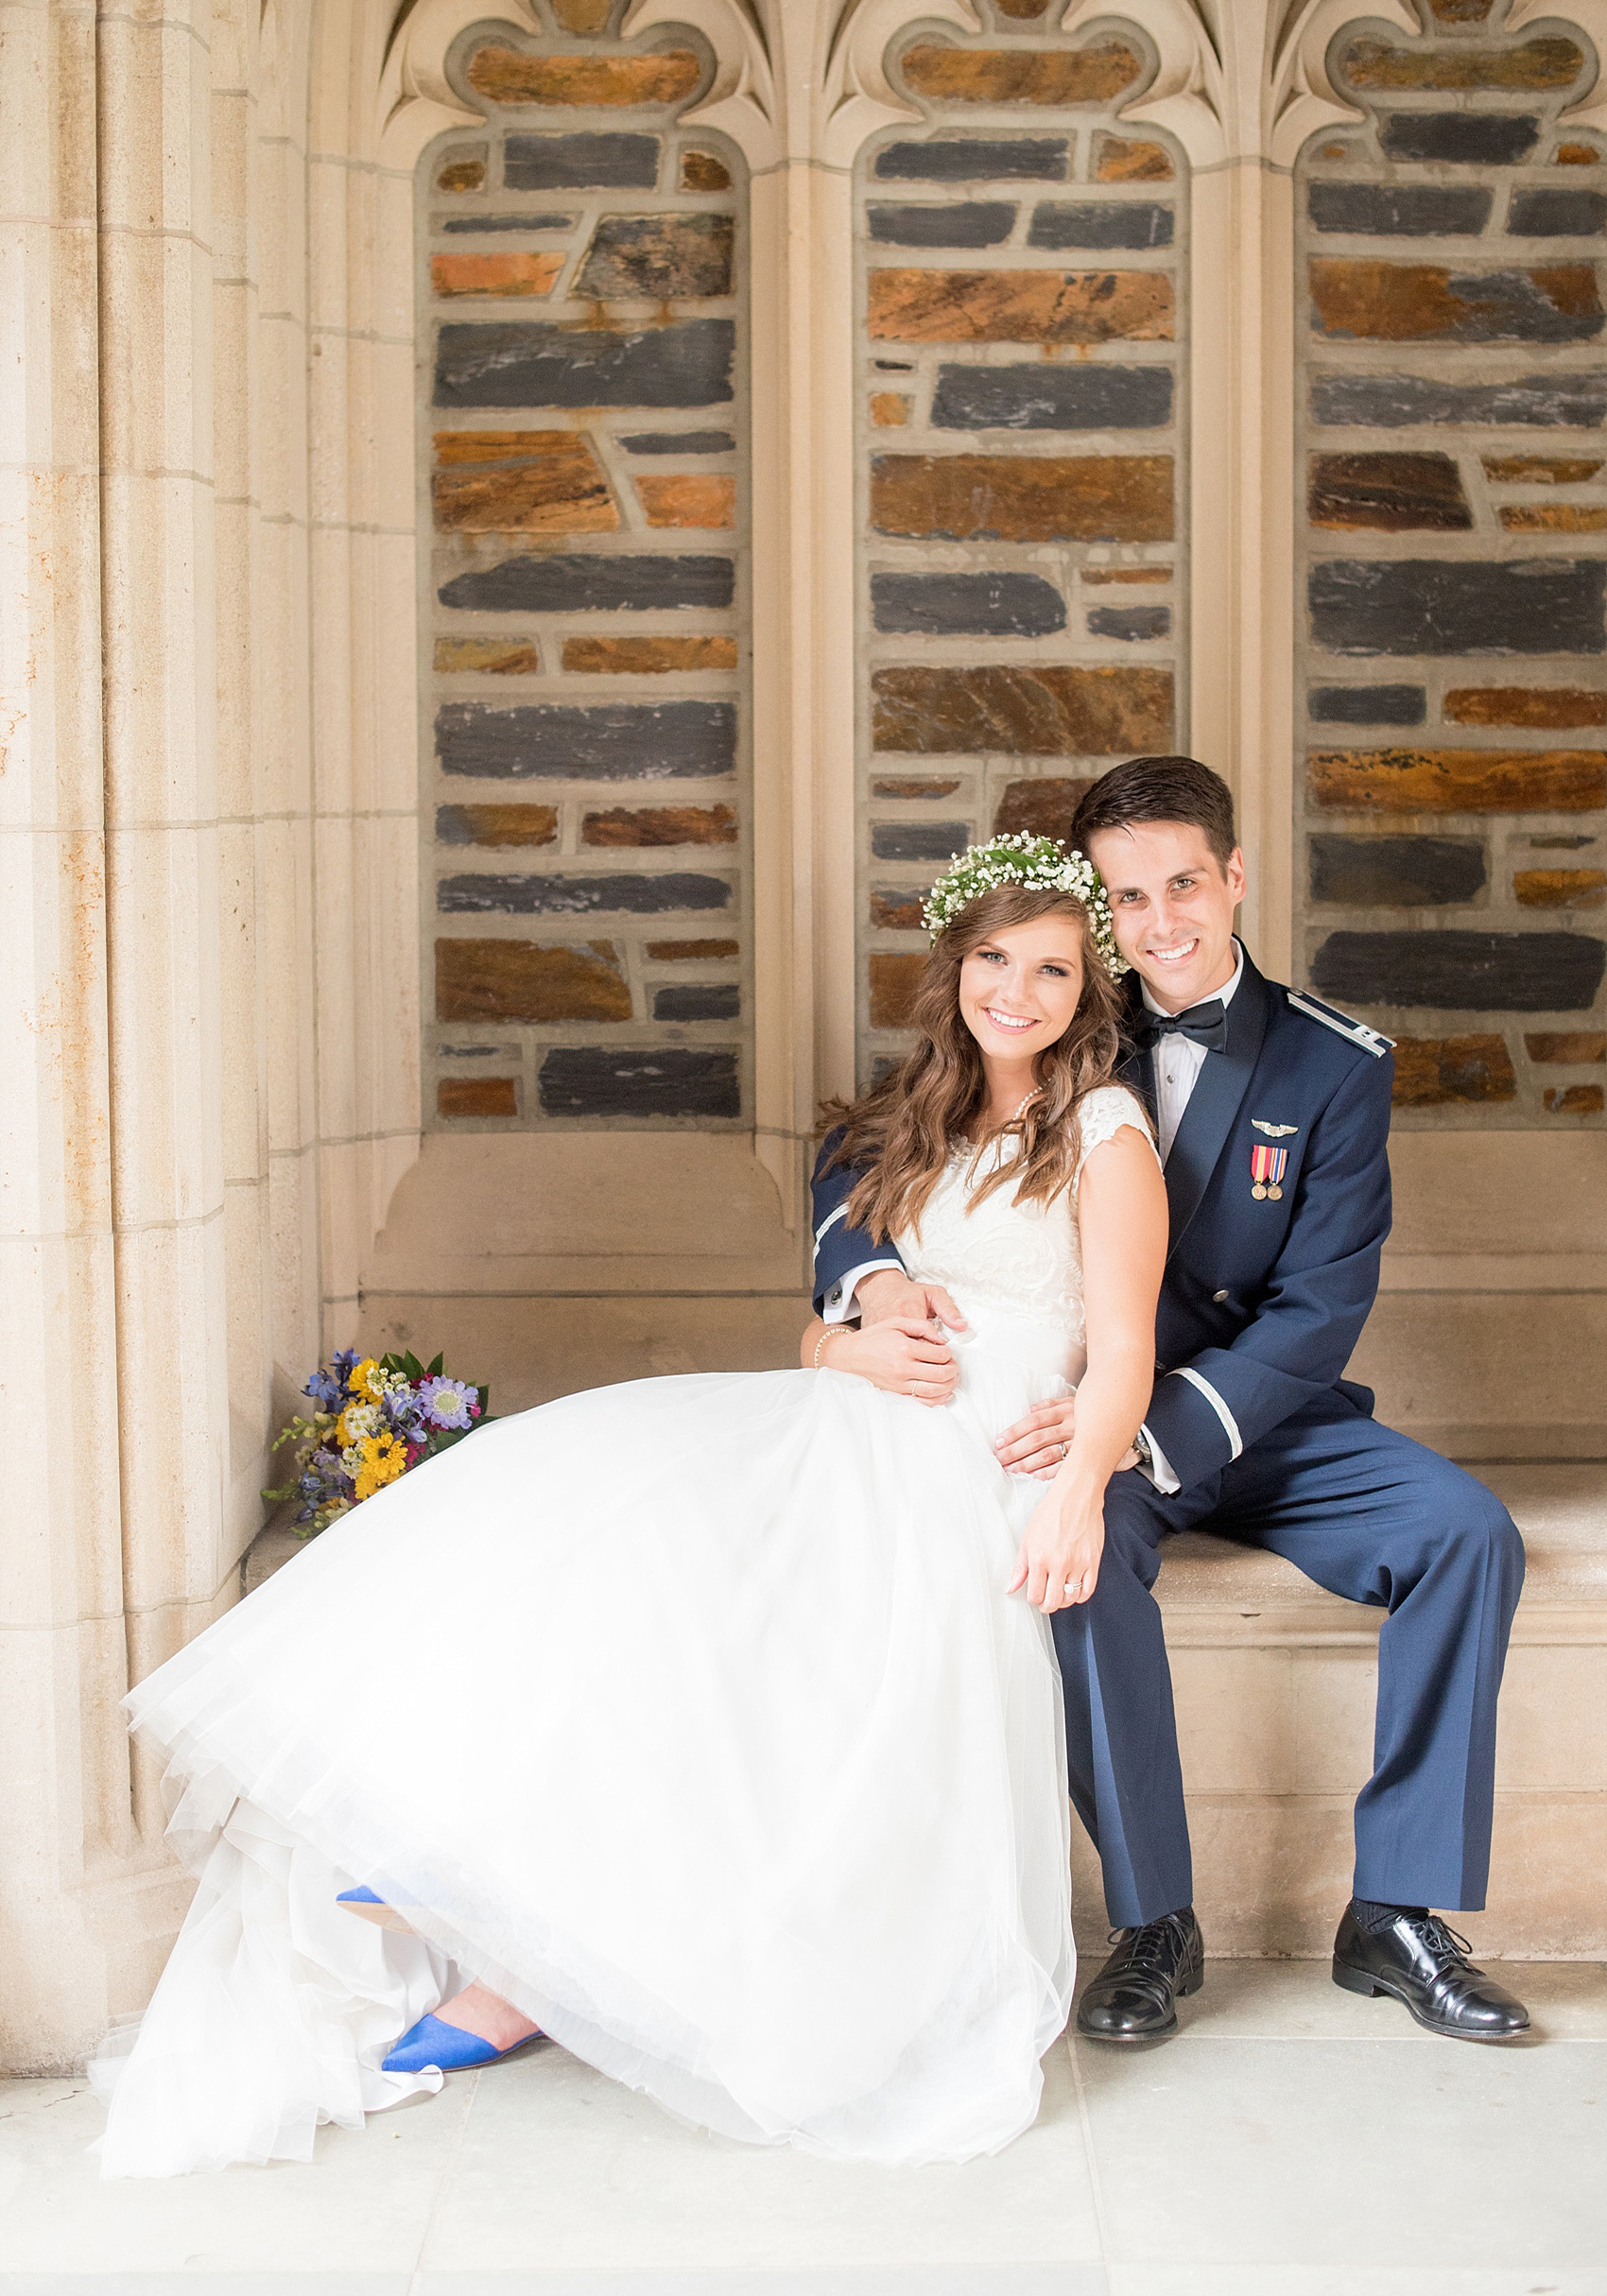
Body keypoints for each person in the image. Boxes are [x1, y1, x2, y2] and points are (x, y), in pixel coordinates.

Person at [93, 840, 1168, 2178]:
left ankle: (529, 1952)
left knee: (764, 1626)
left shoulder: (1107, 1131)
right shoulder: (916, 1124)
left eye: (1053, 967)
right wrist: (844, 1341)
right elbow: (833, 1314)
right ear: (955, 969)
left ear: (1089, 990)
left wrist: (1076, 1494)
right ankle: (510, 1913)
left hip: (987, 1458)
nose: (1020, 989)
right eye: (997, 959)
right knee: (596, 1516)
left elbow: (1122, 1343)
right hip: (860, 1417)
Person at [814, 757, 1529, 2050]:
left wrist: (1144, 1428)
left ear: (1234, 876)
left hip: (1264, 1418)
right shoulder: (1063, 1013)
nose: (1158, 922)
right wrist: (862, 1279)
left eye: (1182, 884)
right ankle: (1156, 1923)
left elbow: (1316, 1311)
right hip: (1079, 1416)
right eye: (1126, 897)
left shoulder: (1332, 1066)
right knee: (1071, 1567)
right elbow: (873, 1138)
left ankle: (1398, 1910)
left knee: (1467, 1532)